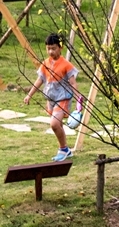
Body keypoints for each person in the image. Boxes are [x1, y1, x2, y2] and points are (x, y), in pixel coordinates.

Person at [24, 33, 81, 162]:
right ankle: (66, 150)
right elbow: (40, 80)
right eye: (48, 48)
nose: (50, 51)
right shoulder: (45, 64)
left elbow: (72, 82)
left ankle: (63, 149)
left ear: (61, 48)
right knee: (58, 125)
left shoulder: (66, 65)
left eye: (53, 48)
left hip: (63, 98)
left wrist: (78, 98)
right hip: (50, 99)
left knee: (54, 124)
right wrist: (29, 95)